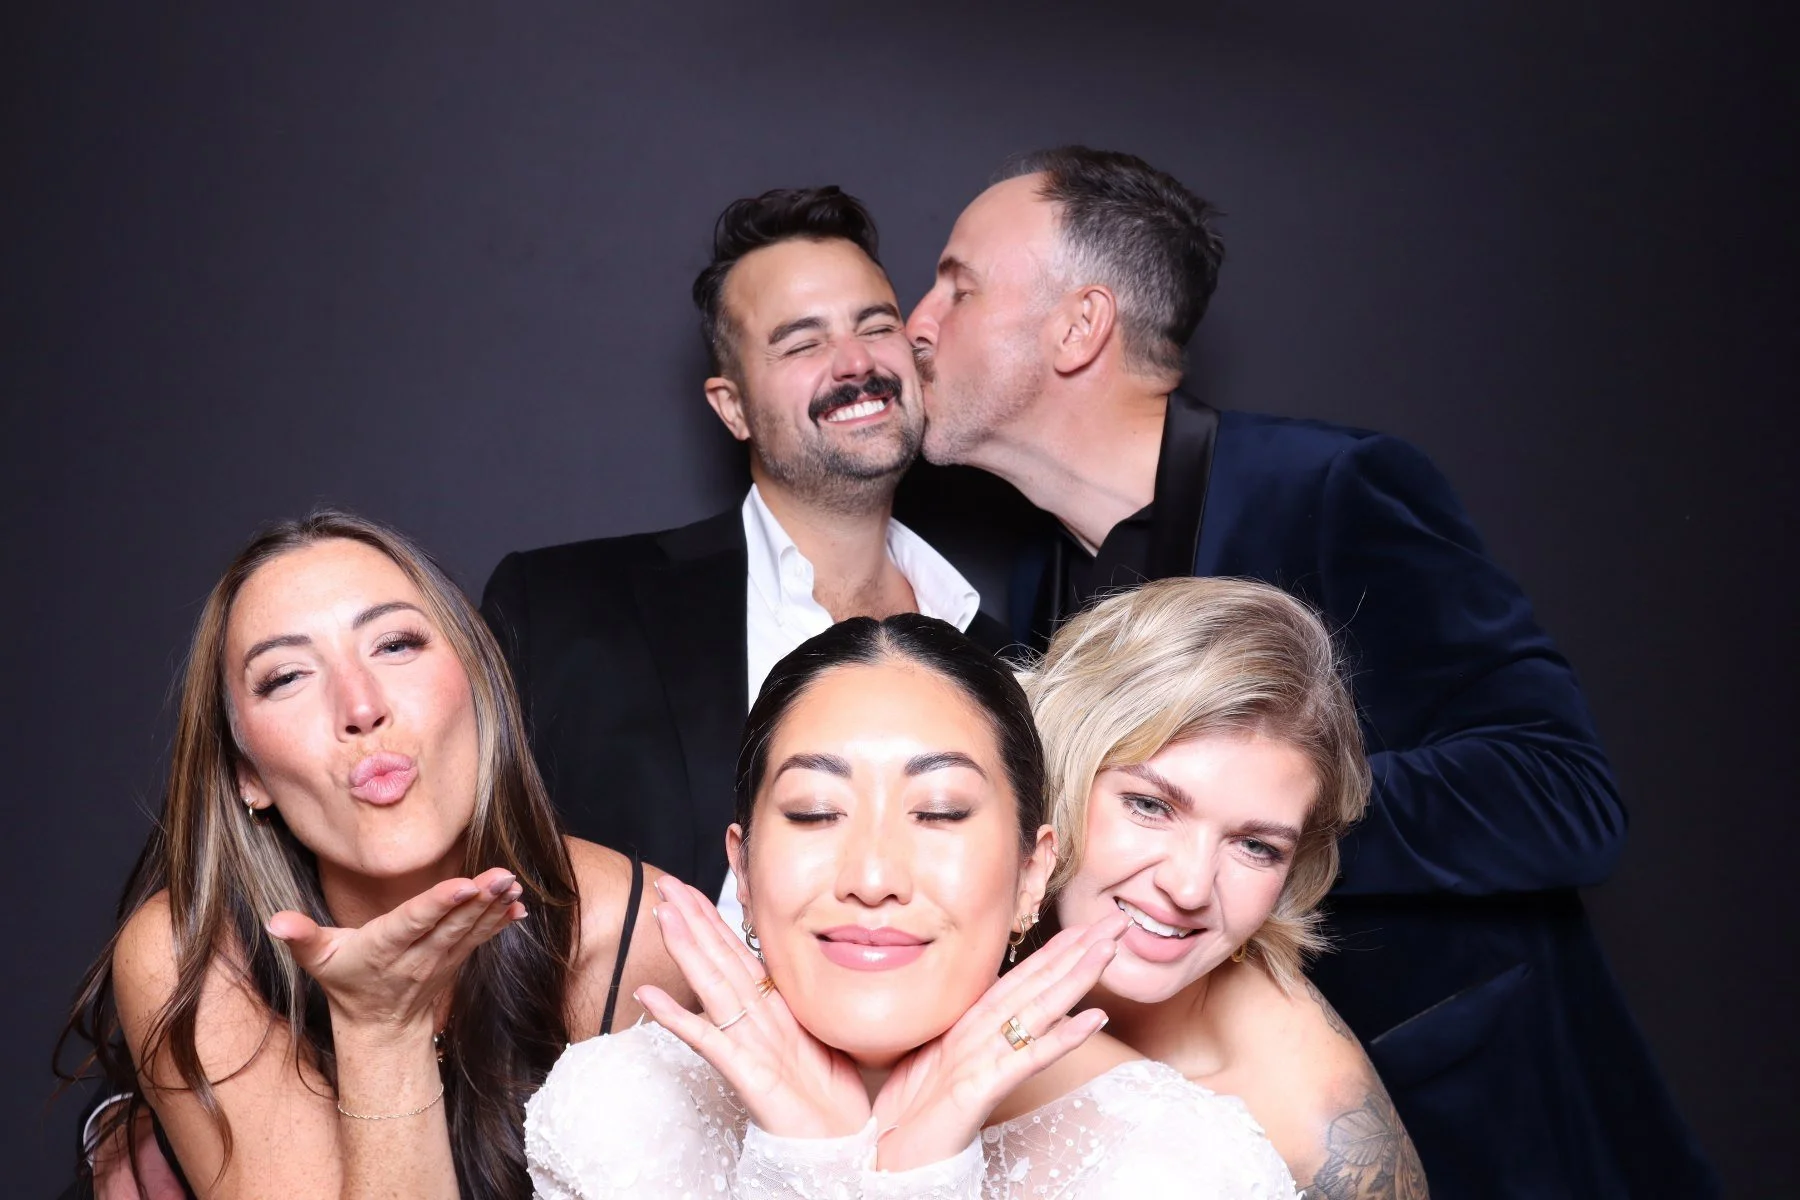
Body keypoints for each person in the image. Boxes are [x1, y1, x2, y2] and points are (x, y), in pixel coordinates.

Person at [906, 146, 1717, 1195]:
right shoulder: (1041, 579)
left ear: (1079, 326)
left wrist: (1267, 822)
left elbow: (1564, 795)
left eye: (957, 286)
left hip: (1476, 1131)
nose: (917, 322)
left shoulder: (1335, 489)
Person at [522, 615, 1298, 1198]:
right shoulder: (615, 1113)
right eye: (816, 812)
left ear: (1033, 873)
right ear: (744, 871)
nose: (872, 874)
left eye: (940, 813)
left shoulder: (1191, 1169)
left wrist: (924, 1167)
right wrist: (809, 1162)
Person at [58, 510, 687, 1199]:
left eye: (394, 645)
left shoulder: (637, 933)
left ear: (479, 686)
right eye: (287, 676)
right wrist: (380, 1028)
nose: (359, 707)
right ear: (249, 775)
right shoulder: (194, 953)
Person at [481, 186, 1007, 941]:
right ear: (731, 408)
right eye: (802, 342)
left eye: (876, 325)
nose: (855, 362)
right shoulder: (564, 608)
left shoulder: (1011, 655)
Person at [1023, 576, 1426, 1196]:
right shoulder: (920, 918)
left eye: (1255, 846)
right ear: (1062, 765)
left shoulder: (1315, 1126)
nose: (1188, 887)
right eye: (1150, 806)